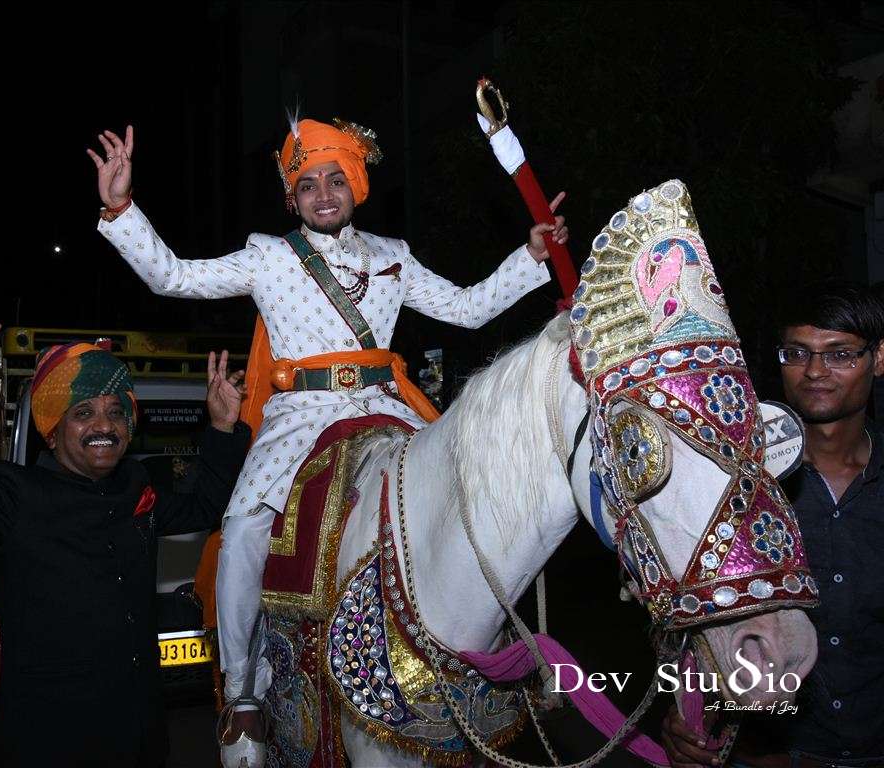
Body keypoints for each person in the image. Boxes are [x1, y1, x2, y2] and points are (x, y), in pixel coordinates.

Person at [89, 118, 569, 764]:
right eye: (308, 184)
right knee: (244, 527)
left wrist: (531, 257)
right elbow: (174, 276)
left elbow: (466, 308)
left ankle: (496, 653)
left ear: (356, 186)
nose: (323, 194)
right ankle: (243, 692)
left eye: (335, 179)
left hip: (384, 408)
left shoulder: (393, 255)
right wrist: (121, 208)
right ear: (292, 198)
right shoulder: (269, 256)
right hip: (301, 418)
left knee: (467, 490)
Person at [0, 291, 251, 768]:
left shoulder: (134, 488)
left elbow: (208, 505)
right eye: (83, 413)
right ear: (53, 428)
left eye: (116, 411)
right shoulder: (13, 493)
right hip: (44, 743)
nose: (104, 425)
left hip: (138, 741)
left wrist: (221, 428)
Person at [661, 281, 884, 767]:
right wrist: (687, 711)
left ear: (879, 358)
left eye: (840, 354)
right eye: (797, 353)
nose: (815, 371)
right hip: (763, 753)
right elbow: (691, 617)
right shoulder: (728, 485)